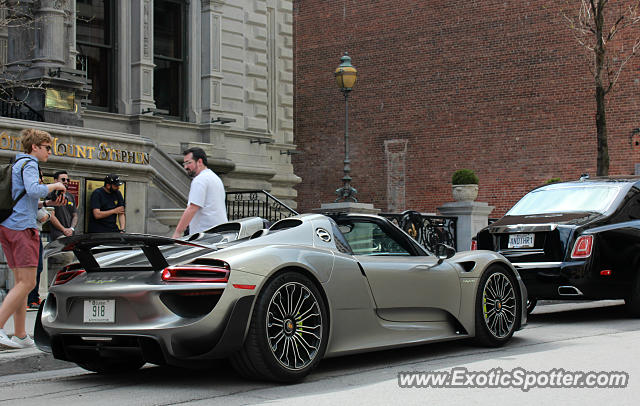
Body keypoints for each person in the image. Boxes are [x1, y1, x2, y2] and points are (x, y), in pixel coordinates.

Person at [0, 128, 66, 349]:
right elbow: (33, 189)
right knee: (28, 282)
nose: (50, 152)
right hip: (23, 229)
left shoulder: (17, 164)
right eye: (47, 147)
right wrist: (55, 186)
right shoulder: (29, 164)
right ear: (35, 147)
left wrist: (47, 204)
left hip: (9, 226)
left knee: (21, 283)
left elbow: (25, 197)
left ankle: (19, 333)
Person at [172, 147, 227, 238]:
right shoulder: (215, 178)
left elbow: (192, 208)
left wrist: (178, 233)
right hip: (220, 233)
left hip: (204, 236)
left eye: (189, 163)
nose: (186, 167)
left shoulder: (200, 180)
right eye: (184, 164)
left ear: (200, 162)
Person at [46, 171, 77, 240]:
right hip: (58, 234)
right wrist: (64, 230)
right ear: (56, 181)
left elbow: (75, 215)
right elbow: (51, 216)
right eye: (63, 179)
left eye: (67, 180)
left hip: (71, 234)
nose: (66, 181)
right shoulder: (51, 195)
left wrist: (71, 229)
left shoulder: (71, 196)